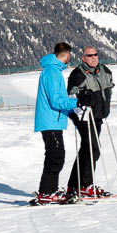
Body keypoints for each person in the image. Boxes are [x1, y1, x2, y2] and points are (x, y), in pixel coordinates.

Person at [32, 42, 86, 205]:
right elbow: (56, 100)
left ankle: (48, 191)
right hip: (50, 121)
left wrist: (73, 113)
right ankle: (47, 193)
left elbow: (59, 99)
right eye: (69, 54)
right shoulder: (51, 72)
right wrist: (77, 103)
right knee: (55, 156)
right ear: (66, 54)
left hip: (53, 120)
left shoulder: (53, 70)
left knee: (56, 155)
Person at [65, 46, 114, 199]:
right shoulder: (78, 74)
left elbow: (109, 88)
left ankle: (73, 186)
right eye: (90, 55)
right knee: (93, 149)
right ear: (83, 58)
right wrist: (82, 94)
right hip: (84, 116)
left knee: (87, 149)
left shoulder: (105, 71)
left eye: (95, 54)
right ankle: (85, 186)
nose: (93, 57)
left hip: (98, 116)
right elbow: (71, 93)